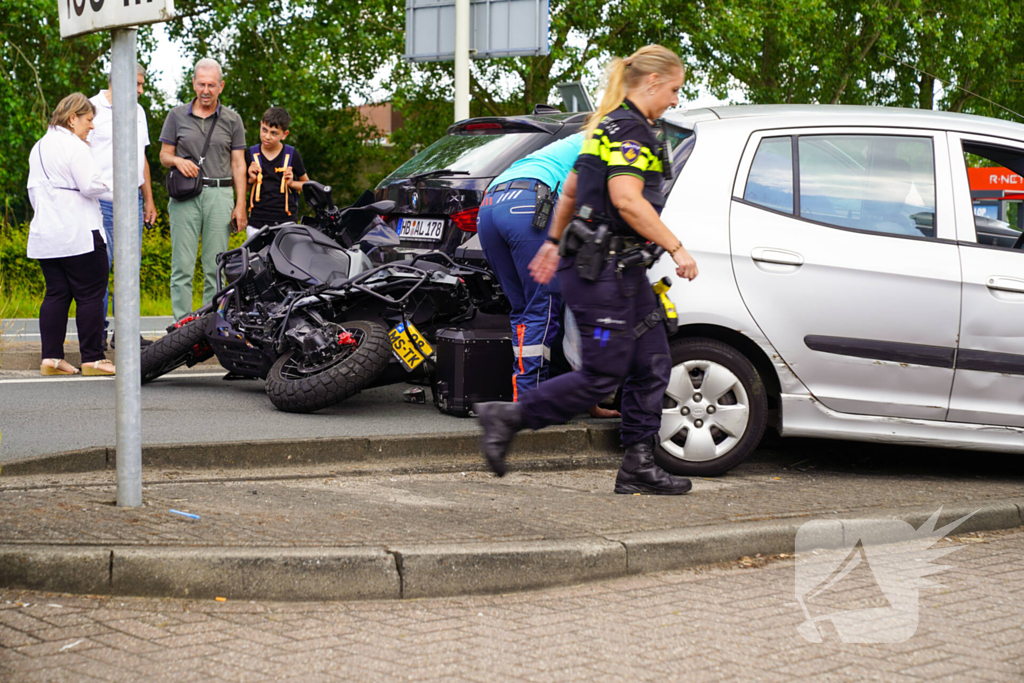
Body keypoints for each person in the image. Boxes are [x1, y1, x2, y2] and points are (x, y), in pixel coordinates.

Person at [475, 45, 699, 495]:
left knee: (653, 361)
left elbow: (572, 189)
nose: (676, 99)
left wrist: (555, 243)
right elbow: (627, 199)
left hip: (621, 270)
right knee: (603, 372)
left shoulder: (607, 125)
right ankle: (509, 416)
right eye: (674, 89)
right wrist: (676, 247)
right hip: (604, 274)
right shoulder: (632, 130)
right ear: (653, 83)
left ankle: (638, 463)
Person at [477, 133, 620, 418]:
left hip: (490, 206)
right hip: (531, 204)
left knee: (526, 310)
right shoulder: (616, 139)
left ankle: (535, 399)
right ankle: (528, 407)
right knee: (544, 306)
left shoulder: (576, 140)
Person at [27, 93, 115, 376]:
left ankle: (51, 358)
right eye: (89, 120)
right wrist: (110, 186)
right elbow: (89, 186)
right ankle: (93, 358)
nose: (91, 126)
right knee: (91, 294)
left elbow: (33, 192)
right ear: (72, 118)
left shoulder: (39, 146)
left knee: (56, 295)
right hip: (79, 233)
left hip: (46, 235)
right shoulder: (74, 146)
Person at [158, 58, 248, 321]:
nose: (206, 90)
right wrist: (177, 161)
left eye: (211, 85)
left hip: (220, 195)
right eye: (201, 84)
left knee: (215, 267)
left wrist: (240, 205)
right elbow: (164, 155)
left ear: (221, 86)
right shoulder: (176, 116)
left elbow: (239, 164)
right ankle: (182, 324)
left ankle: (211, 323)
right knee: (182, 267)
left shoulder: (233, 120)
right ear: (194, 83)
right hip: (186, 196)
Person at [89, 62, 157, 349]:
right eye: (137, 84)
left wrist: (149, 199)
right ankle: (97, 333)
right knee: (101, 270)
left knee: (130, 269)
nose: (141, 90)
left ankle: (125, 331)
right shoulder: (90, 108)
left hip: (132, 201)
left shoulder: (138, 112)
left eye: (142, 85)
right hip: (101, 202)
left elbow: (140, 157)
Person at [245, 106, 309, 238]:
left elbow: (307, 186)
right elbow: (242, 189)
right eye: (264, 130)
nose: (267, 137)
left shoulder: (292, 155)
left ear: (284, 134)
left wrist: (292, 183)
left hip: (286, 223)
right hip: (256, 223)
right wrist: (251, 179)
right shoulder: (250, 154)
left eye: (274, 133)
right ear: (260, 125)